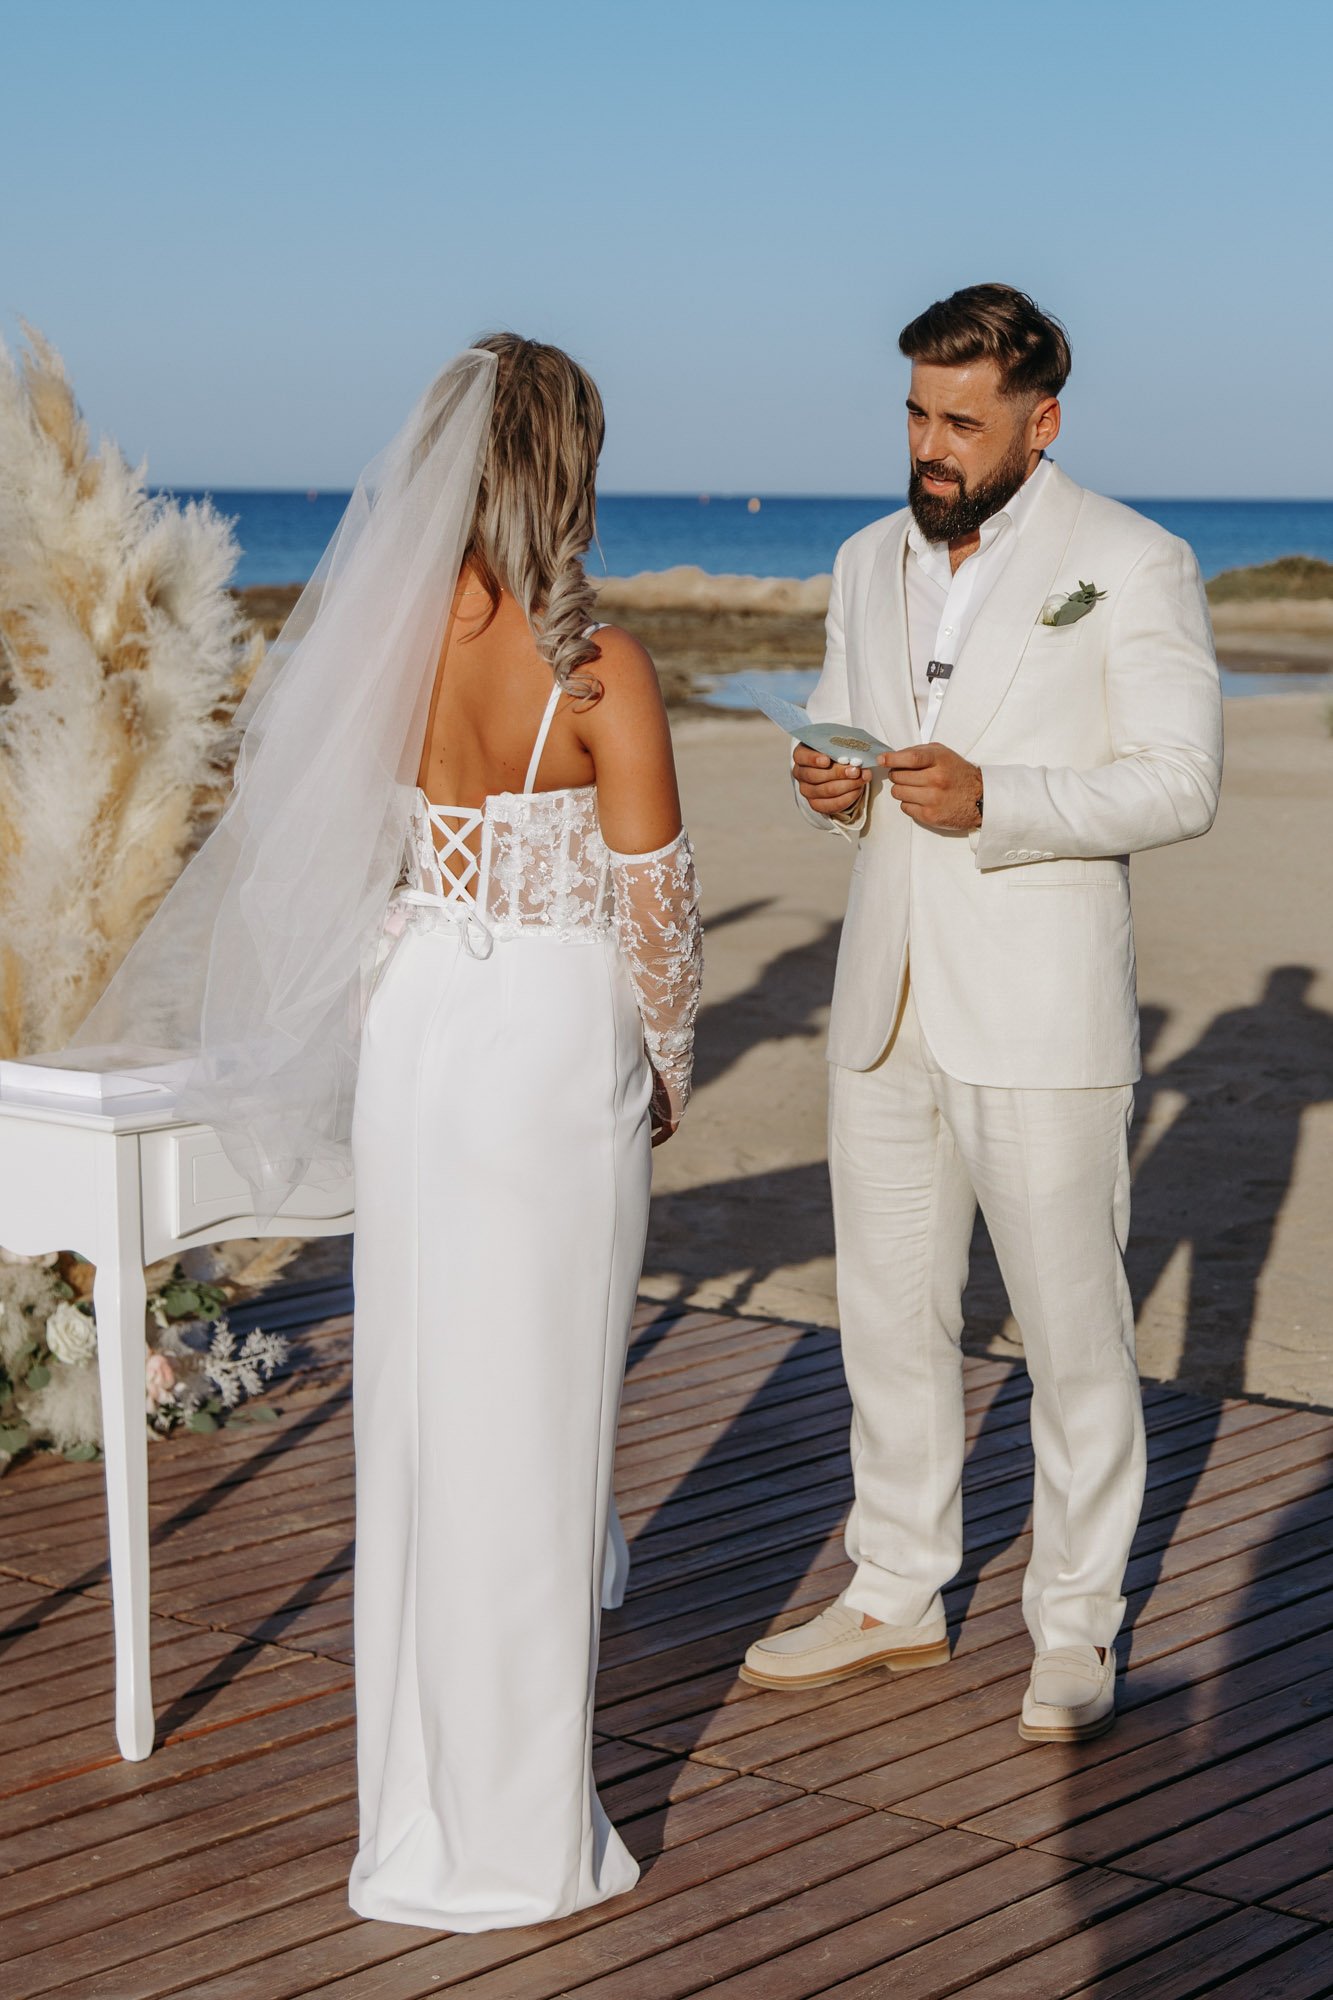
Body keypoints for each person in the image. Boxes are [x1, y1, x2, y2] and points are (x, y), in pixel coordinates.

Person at [739, 284, 1221, 1744]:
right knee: (883, 1315)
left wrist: (1000, 801)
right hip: (882, 994)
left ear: (1039, 419)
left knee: (1074, 1333)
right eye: (914, 413)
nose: (930, 445)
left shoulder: (1131, 561)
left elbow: (1176, 780)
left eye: (960, 420)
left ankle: (1074, 1627)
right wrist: (831, 791)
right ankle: (894, 1589)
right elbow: (843, 724)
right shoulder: (856, 556)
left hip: (1035, 1004)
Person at [346, 335, 702, 1927]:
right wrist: (666, 1083)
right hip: (545, 1053)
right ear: (567, 468)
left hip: (414, 1029)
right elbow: (659, 918)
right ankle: (509, 1841)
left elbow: (363, 850)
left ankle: (411, 1817)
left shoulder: (388, 640)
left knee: (420, 1424)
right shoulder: (600, 667)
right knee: (538, 1429)